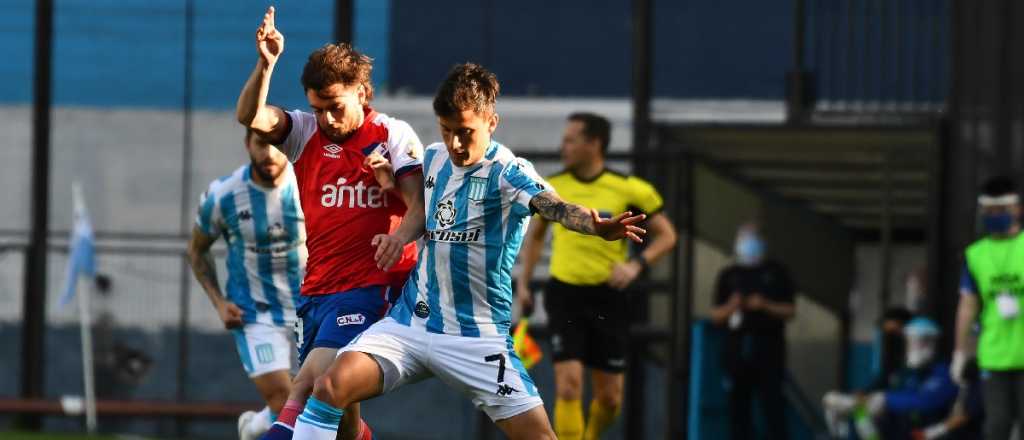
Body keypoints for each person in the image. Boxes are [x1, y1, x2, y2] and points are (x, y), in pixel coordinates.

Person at [289, 63, 647, 440]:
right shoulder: (433, 158)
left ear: (492, 122)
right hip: (410, 324)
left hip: (476, 338)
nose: (456, 144)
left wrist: (593, 226)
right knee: (328, 388)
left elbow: (552, 205)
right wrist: (400, 238)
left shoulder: (508, 171)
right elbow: (422, 212)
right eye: (447, 132)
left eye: (465, 133)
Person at [236, 7, 425, 440]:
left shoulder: (392, 135)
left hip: (372, 287)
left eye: (335, 108)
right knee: (339, 411)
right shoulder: (304, 134)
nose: (328, 120)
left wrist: (396, 232)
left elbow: (420, 207)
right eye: (318, 109)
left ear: (362, 92)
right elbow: (251, 116)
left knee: (305, 387)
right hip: (318, 288)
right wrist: (266, 64)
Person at [514, 112, 678, 440]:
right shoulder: (554, 188)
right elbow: (534, 237)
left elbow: (667, 236)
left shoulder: (630, 189)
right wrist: (524, 283)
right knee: (569, 385)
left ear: (594, 143)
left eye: (571, 139)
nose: (564, 146)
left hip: (609, 298)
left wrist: (635, 266)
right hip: (565, 295)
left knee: (609, 397)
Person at [187, 130, 304, 440]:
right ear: (247, 144)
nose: (269, 153)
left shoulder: (310, 183)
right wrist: (219, 302)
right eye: (261, 143)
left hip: (309, 309)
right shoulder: (224, 194)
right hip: (254, 314)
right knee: (285, 399)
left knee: (312, 402)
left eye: (277, 145)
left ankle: (254, 427)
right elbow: (197, 250)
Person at [709, 222, 796, 440]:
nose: (750, 243)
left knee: (773, 408)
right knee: (738, 410)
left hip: (769, 351)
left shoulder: (777, 272)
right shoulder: (729, 275)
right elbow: (715, 315)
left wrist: (764, 305)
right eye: (745, 238)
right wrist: (732, 306)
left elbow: (790, 310)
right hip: (737, 352)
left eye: (754, 237)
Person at [953, 175, 1024, 440]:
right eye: (989, 211)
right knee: (997, 426)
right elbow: (967, 307)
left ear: (1017, 209)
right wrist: (960, 352)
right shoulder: (975, 255)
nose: (994, 216)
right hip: (994, 357)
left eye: (1000, 210)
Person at [823, 317, 959, 439]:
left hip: (929, 433)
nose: (914, 347)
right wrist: (860, 402)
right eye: (910, 342)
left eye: (920, 342)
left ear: (933, 343)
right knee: (859, 413)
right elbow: (894, 394)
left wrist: (885, 399)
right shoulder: (908, 373)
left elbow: (927, 401)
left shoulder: (946, 372)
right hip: (900, 432)